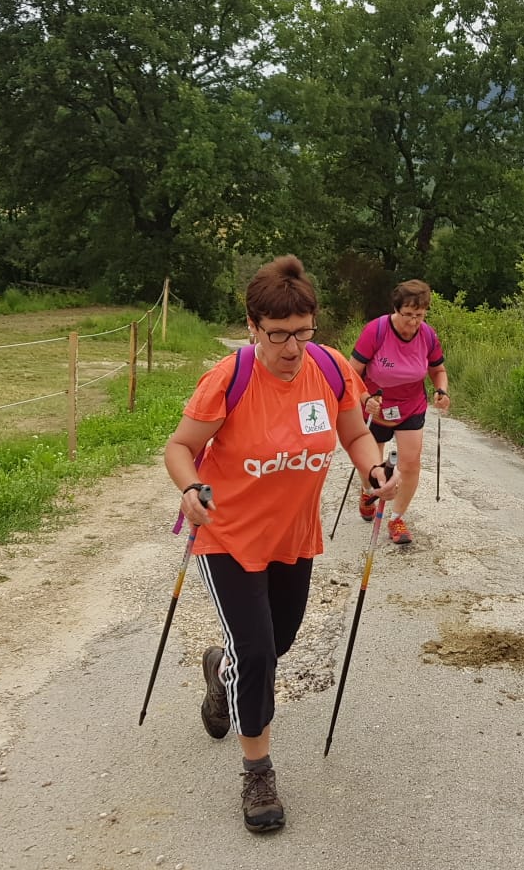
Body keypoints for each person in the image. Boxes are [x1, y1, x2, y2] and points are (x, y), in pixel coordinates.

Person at [163, 255, 400, 834]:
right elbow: (178, 447)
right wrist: (191, 486)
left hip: (293, 537)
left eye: (303, 332)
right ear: (252, 327)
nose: (292, 348)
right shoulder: (229, 378)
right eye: (278, 336)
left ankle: (222, 674)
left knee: (279, 642)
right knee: (261, 653)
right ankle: (258, 773)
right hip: (228, 538)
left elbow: (353, 432)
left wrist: (373, 471)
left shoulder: (331, 366)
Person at [347, 279, 449, 545]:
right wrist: (364, 396)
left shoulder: (427, 335)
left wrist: (442, 390)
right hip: (376, 405)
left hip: (411, 405)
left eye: (419, 315)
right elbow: (351, 372)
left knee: (411, 463)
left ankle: (396, 518)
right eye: (407, 315)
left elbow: (438, 370)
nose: (413, 321)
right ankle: (369, 490)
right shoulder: (377, 331)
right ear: (396, 309)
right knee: (372, 461)